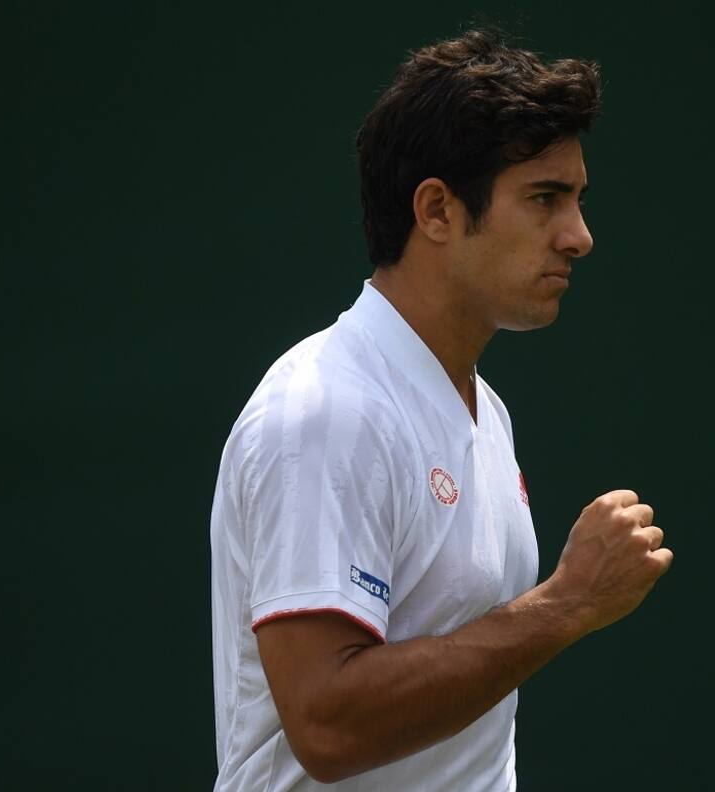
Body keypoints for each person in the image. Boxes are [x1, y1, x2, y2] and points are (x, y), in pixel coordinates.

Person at [209, 27, 672, 791]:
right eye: (545, 198)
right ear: (436, 211)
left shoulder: (485, 412)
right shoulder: (326, 412)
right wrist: (565, 603)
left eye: (578, 200)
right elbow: (327, 725)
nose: (579, 237)